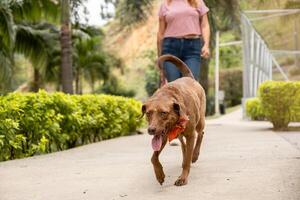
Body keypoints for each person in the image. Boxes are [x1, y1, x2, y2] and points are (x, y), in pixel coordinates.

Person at [157, 0, 210, 82]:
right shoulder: (165, 4)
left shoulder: (198, 2)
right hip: (170, 48)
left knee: (190, 83)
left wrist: (206, 45)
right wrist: (160, 57)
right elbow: (160, 33)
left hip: (192, 48)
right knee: (174, 84)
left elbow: (205, 25)